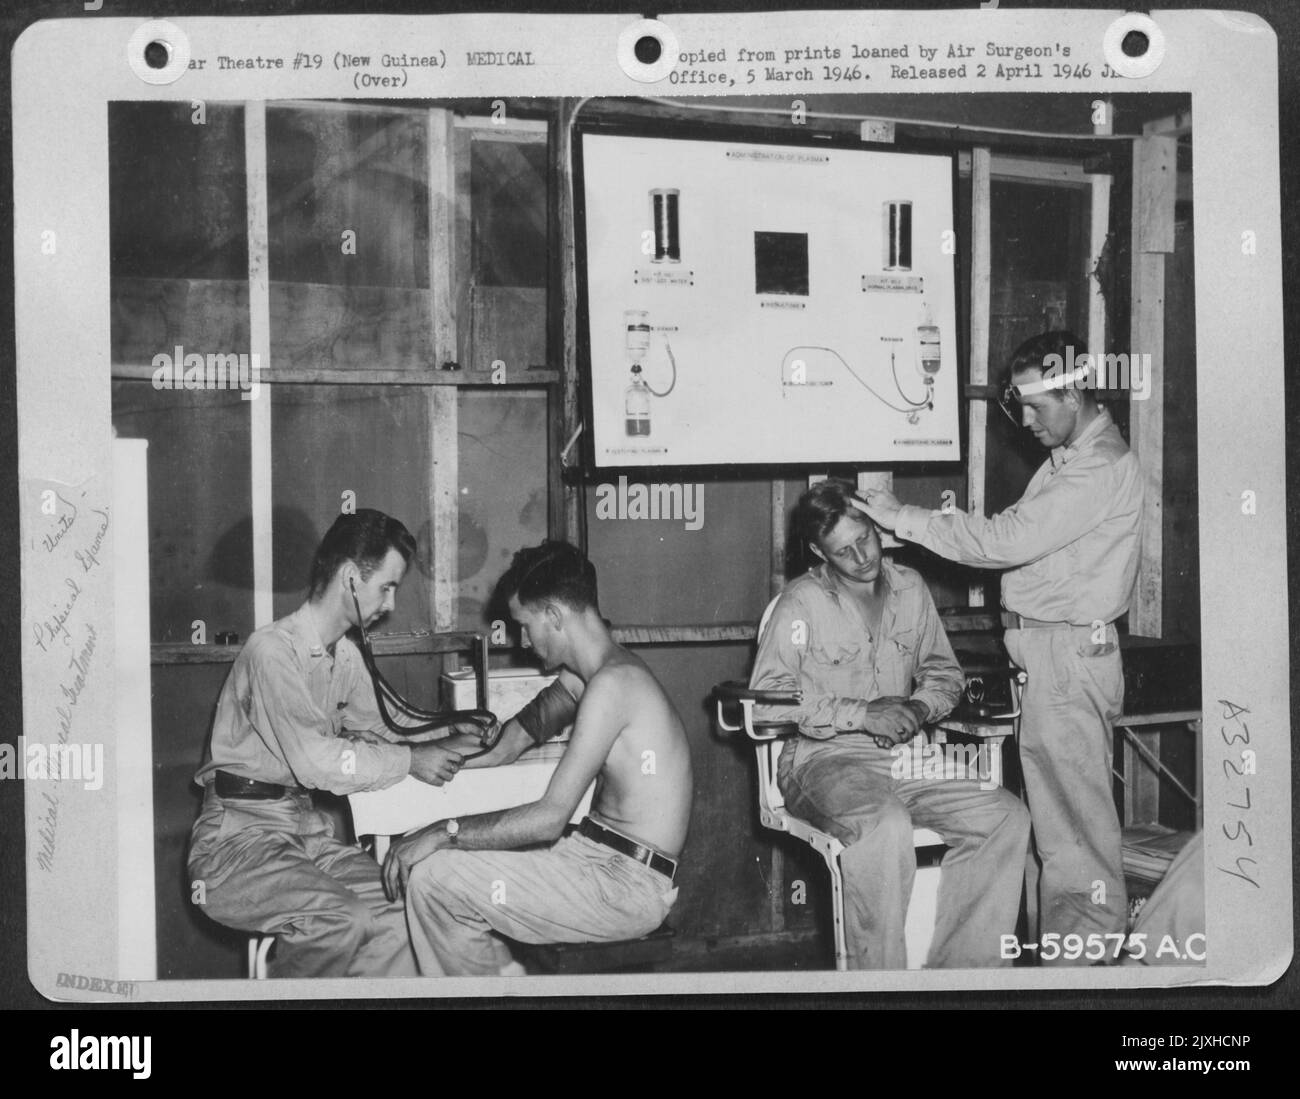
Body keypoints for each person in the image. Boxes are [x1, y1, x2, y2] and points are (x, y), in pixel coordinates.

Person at [857, 330, 1145, 963]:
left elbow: (1004, 541)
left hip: (1066, 660)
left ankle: (1085, 970)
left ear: (1074, 391)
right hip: (1050, 659)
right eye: (1020, 406)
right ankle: (1063, 964)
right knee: (1056, 832)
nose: (1028, 422)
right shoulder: (1069, 459)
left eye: (1039, 407)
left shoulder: (1100, 466)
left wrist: (902, 516)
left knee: (1074, 835)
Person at [750, 480, 1030, 969]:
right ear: (819, 552)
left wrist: (920, 709)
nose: (861, 557)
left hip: (908, 759)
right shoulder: (801, 604)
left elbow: (944, 673)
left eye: (866, 540)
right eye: (843, 552)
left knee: (1005, 818)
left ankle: (960, 985)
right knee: (884, 826)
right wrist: (861, 713)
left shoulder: (910, 589)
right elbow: (768, 704)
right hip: (824, 760)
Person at [187, 509, 474, 978]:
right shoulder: (272, 652)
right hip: (237, 842)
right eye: (386, 586)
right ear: (349, 579)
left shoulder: (344, 656)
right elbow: (316, 763)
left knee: (406, 910)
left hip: (303, 834)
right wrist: (411, 760)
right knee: (341, 920)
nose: (391, 603)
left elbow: (389, 726)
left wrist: (464, 733)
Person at [385, 540, 693, 977]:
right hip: (591, 860)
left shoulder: (615, 684)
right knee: (437, 873)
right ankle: (499, 984)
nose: (522, 641)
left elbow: (549, 818)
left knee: (436, 880)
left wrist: (441, 831)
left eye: (525, 626)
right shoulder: (586, 677)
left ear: (553, 615)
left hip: (625, 886)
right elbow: (509, 744)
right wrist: (418, 756)